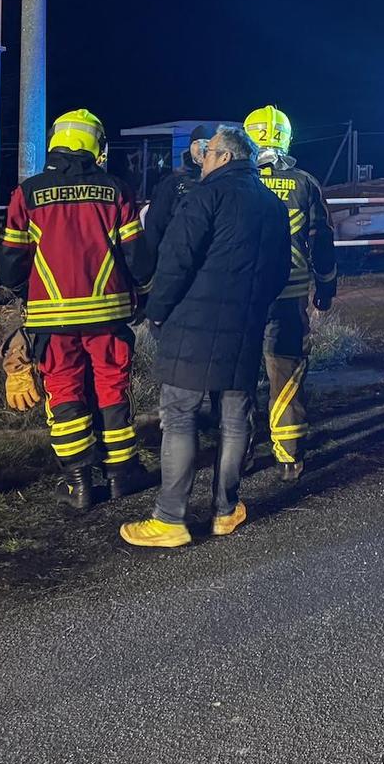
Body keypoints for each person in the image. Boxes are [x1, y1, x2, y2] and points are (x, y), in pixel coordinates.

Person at [122, 124, 290, 548]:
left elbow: (176, 260)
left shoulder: (204, 197)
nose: (203, 159)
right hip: (245, 326)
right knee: (235, 421)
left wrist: (155, 312)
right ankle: (225, 510)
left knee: (180, 417)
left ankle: (170, 520)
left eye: (209, 152)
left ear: (226, 158)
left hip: (191, 328)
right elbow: (280, 271)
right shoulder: (271, 205)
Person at [0, 109, 152, 510]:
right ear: (95, 146)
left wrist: (21, 292)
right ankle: (122, 474)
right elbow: (137, 257)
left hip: (52, 318)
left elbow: (10, 260)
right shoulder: (117, 190)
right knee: (112, 388)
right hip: (108, 314)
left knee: (64, 392)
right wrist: (144, 293)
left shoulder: (28, 193)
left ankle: (79, 482)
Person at [242, 104, 338, 481]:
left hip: (242, 298)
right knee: (286, 370)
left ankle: (240, 453)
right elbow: (322, 241)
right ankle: (289, 456)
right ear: (286, 137)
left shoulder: (235, 182)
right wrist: (326, 286)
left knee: (240, 374)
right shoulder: (305, 183)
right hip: (289, 293)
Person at [142, 123, 213, 261]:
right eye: (197, 143)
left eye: (206, 143)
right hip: (177, 258)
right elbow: (155, 224)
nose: (201, 149)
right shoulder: (173, 182)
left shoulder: (221, 182)